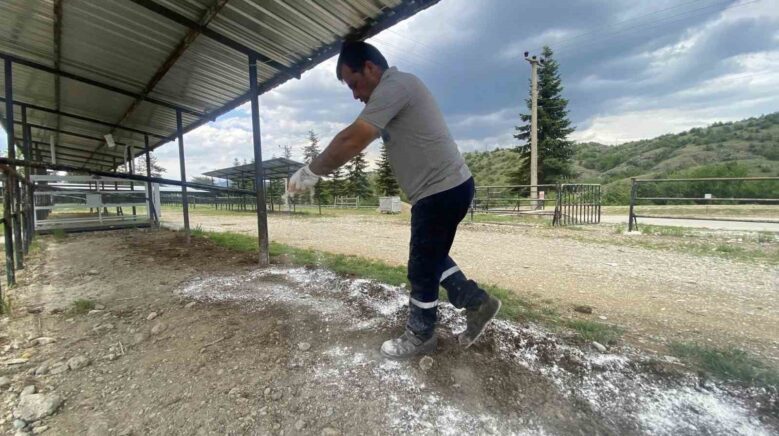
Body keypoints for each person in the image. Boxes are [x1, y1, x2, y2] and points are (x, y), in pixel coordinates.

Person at [287, 41, 501, 359]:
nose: (356, 95)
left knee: (421, 268)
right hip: (449, 187)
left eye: (355, 84)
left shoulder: (396, 85)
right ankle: (476, 301)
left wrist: (309, 173)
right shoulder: (398, 88)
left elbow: (352, 138)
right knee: (431, 255)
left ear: (371, 68)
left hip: (439, 190)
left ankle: (420, 335)